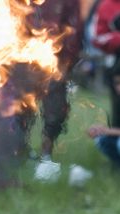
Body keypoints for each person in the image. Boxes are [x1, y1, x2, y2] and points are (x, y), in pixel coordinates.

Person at [30, 0, 84, 181]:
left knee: (55, 110)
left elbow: (74, 26)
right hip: (22, 58)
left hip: (56, 60)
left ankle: (46, 154)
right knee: (19, 108)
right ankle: (20, 152)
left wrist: (68, 59)